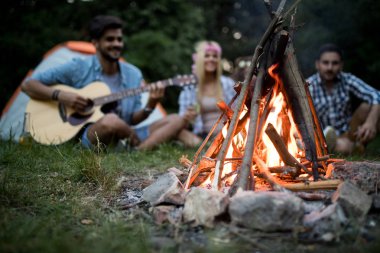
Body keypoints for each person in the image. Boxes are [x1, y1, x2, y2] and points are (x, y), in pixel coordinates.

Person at [21, 15, 187, 150]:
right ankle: (137, 146)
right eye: (110, 39)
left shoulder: (133, 74)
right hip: (90, 135)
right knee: (110, 120)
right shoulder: (78, 67)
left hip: (125, 133)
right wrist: (61, 95)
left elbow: (132, 119)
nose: (116, 44)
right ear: (95, 43)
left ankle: (138, 150)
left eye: (119, 39)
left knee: (177, 119)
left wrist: (151, 104)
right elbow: (28, 85)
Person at [307, 43, 380, 154]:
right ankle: (351, 147)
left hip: (349, 132)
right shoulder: (308, 85)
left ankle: (353, 144)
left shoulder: (347, 79)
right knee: (341, 147)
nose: (330, 67)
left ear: (341, 65)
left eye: (335, 63)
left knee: (368, 107)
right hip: (321, 135)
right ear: (318, 64)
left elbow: (376, 95)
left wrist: (370, 122)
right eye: (325, 63)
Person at [178, 41, 236, 140]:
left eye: (214, 56)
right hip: (200, 135)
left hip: (226, 132)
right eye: (207, 55)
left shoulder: (228, 83)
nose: (211, 59)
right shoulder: (190, 86)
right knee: (180, 132)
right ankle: (202, 145)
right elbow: (182, 120)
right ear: (199, 60)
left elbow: (239, 110)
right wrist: (187, 117)